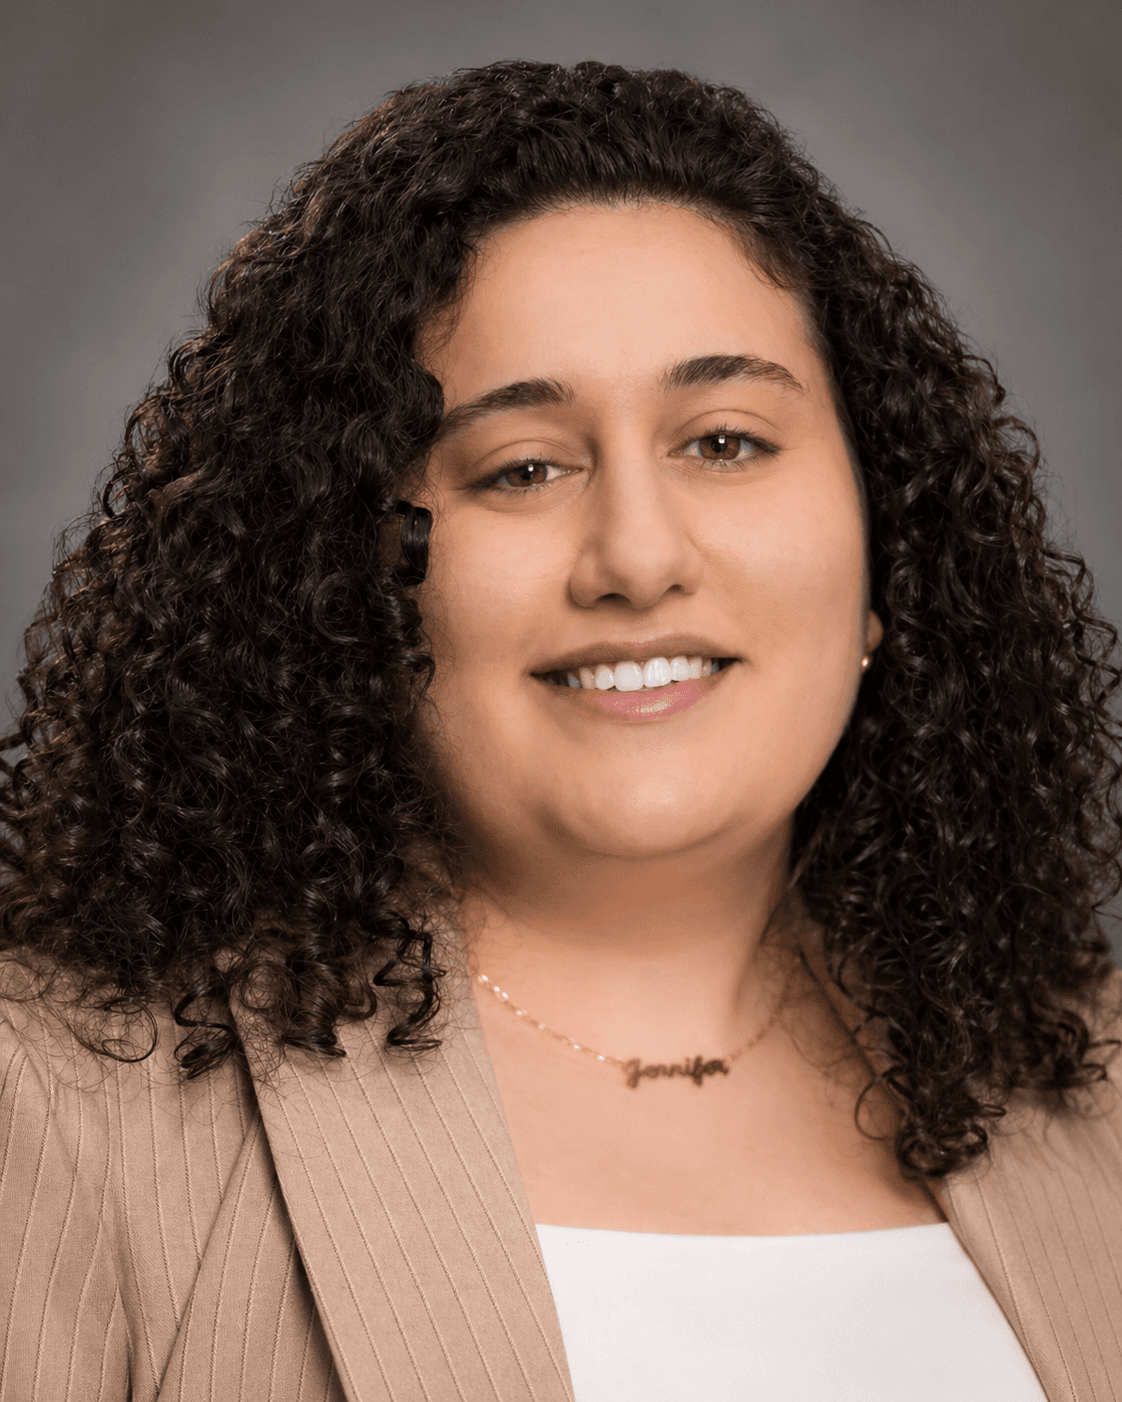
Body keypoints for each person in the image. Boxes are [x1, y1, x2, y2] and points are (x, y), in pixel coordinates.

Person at [1, 58, 1120, 1402]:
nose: (637, 558)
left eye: (724, 441)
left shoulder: (1093, 1089)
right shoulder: (58, 1109)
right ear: (343, 574)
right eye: (521, 467)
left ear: (887, 555)